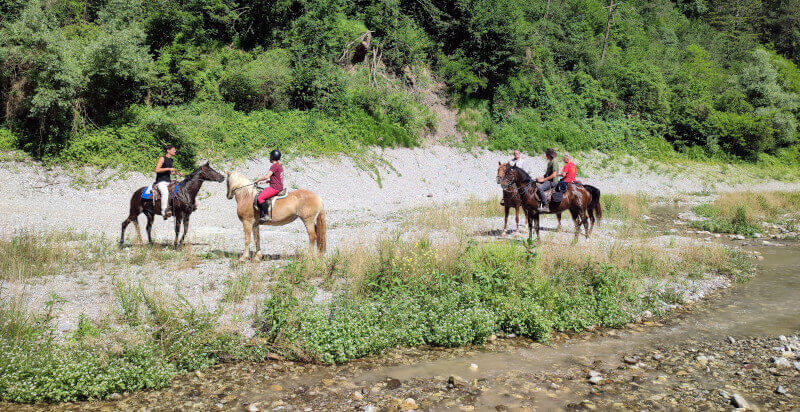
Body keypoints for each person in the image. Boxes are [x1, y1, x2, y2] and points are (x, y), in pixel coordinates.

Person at [255, 149, 284, 223]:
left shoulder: (274, 166)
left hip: (274, 188)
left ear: (272, 157)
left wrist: (258, 180)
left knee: (260, 198)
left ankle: (266, 215)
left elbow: (267, 176)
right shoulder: (279, 166)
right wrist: (266, 182)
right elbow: (276, 178)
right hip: (278, 186)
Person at [154, 145, 181, 220]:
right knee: (165, 193)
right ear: (168, 151)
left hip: (168, 181)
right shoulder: (162, 158)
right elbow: (157, 170)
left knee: (178, 191)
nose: (175, 151)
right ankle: (164, 212)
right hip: (161, 181)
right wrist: (168, 168)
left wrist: (177, 173)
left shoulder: (171, 160)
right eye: (173, 150)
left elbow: (170, 172)